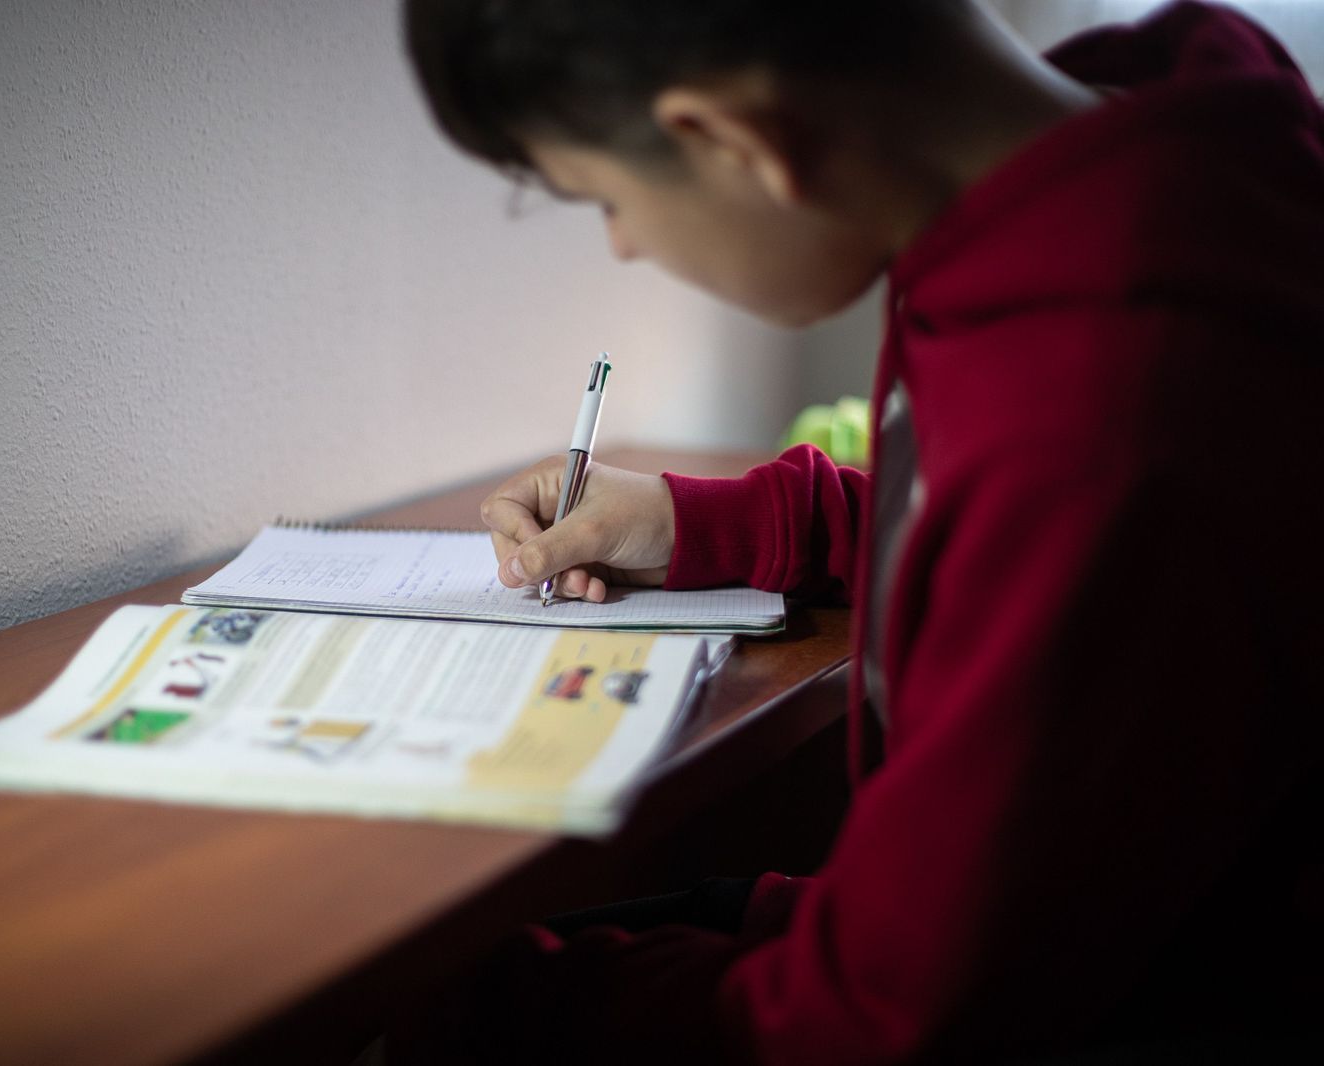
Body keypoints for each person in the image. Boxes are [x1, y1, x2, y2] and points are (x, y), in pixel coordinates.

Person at [393, 1, 1324, 1063]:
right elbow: (987, 528)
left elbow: (881, 1024)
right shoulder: (1157, 162)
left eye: (608, 200)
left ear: (730, 141)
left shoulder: (1106, 419)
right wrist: (700, 520)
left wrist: (470, 1017)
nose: (624, 244)